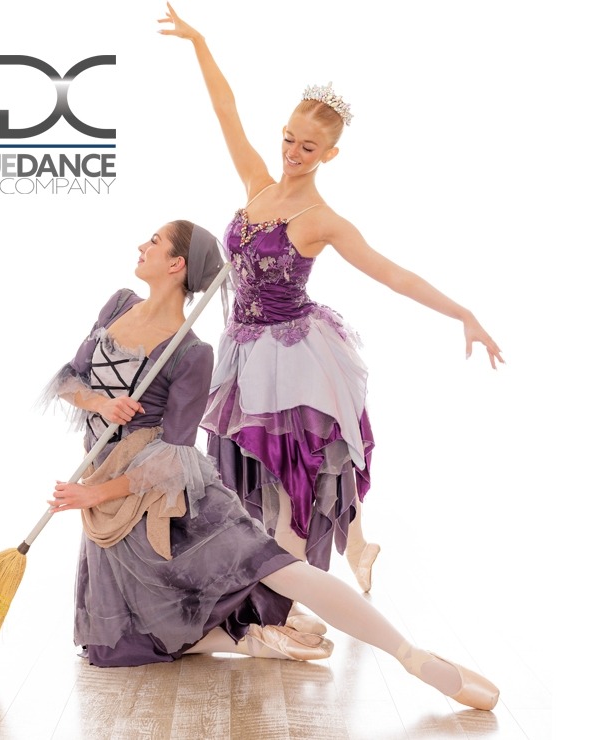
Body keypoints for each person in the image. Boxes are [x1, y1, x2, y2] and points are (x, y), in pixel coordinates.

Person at [41, 220, 499, 711]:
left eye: (153, 241)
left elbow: (174, 457)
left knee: (277, 567)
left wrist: (95, 495)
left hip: (161, 499)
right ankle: (252, 641)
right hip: (105, 493)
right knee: (109, 649)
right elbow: (69, 377)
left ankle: (412, 657)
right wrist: (100, 404)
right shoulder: (117, 304)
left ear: (176, 265)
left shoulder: (193, 353)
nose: (140, 245)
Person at [157, 4, 505, 603]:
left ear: (329, 155)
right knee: (255, 483)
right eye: (289, 138)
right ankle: (321, 567)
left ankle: (298, 602)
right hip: (243, 350)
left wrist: (464, 314)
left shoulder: (322, 221)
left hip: (292, 356)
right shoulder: (259, 185)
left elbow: (392, 273)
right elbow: (226, 110)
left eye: (308, 147)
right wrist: (200, 43)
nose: (294, 151)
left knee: (294, 483)